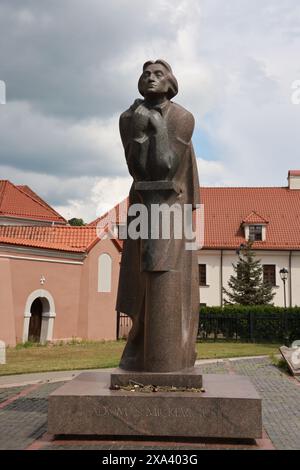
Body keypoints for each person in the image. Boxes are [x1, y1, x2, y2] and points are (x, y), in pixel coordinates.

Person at [116, 60, 200, 372]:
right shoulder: (128, 118)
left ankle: (169, 356)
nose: (151, 78)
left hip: (172, 207)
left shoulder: (182, 117)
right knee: (139, 277)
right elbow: (137, 169)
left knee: (162, 270)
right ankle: (140, 352)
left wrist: (154, 128)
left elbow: (165, 164)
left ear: (170, 83)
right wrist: (139, 128)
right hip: (142, 204)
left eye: (159, 74)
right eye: (146, 74)